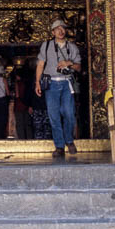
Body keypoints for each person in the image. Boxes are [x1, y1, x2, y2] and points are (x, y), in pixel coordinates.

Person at [35, 20, 81, 157]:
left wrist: (69, 63)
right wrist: (37, 82)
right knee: (53, 116)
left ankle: (69, 140)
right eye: (57, 29)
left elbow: (79, 67)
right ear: (53, 32)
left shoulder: (72, 47)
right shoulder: (46, 45)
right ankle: (59, 146)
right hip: (51, 84)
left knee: (69, 114)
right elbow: (40, 65)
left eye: (63, 29)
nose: (60, 31)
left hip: (67, 83)